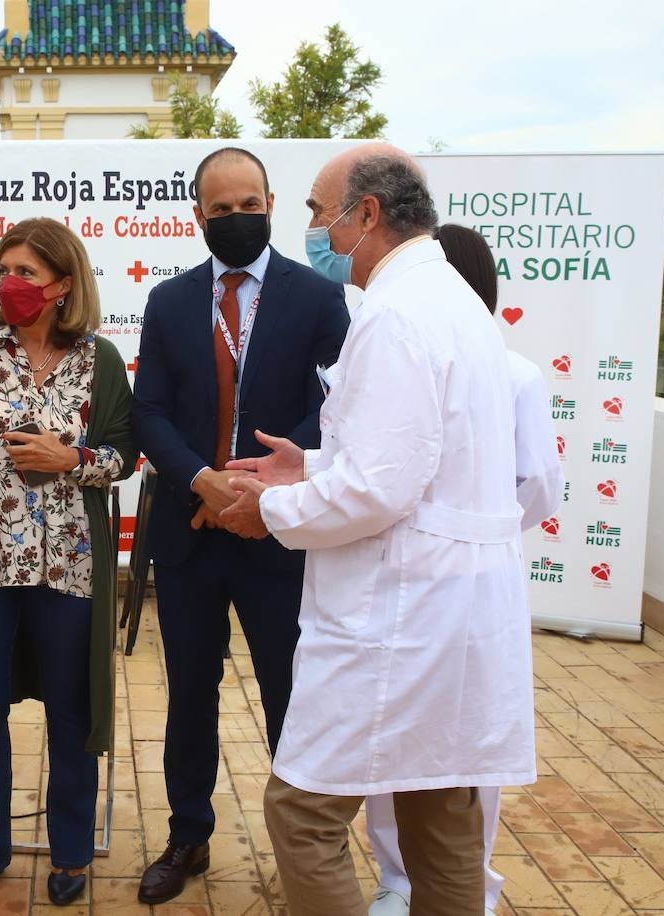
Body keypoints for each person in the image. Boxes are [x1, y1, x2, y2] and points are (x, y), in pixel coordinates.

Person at [219, 144, 535, 916]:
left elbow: (380, 491)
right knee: (442, 815)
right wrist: (314, 464)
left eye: (319, 213)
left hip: (402, 615)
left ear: (367, 215)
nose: (315, 232)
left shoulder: (395, 314)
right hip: (459, 616)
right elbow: (419, 457)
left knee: (302, 814)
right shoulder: (455, 303)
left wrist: (270, 508)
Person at [130, 147, 350, 904]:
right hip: (190, 535)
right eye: (218, 210)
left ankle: (307, 849)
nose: (234, 219)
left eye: (247, 204)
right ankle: (188, 835)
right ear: (198, 216)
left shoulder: (320, 298)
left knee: (292, 692)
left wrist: (261, 488)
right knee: (190, 694)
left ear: (271, 203)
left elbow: (337, 407)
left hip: (278, 537)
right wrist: (202, 478)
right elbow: (148, 412)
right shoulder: (168, 302)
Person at [0, 217, 137, 908]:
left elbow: (125, 459)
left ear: (63, 284)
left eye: (27, 273)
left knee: (71, 714)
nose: (11, 284)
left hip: (68, 570)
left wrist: (69, 458)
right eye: (4, 269)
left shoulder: (99, 361)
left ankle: (70, 853)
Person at [364, 223, 562, 916]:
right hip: (403, 582)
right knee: (394, 737)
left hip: (474, 581)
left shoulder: (516, 374)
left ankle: (467, 882)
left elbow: (538, 483)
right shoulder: (396, 353)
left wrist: (469, 522)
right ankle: (397, 879)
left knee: (467, 749)